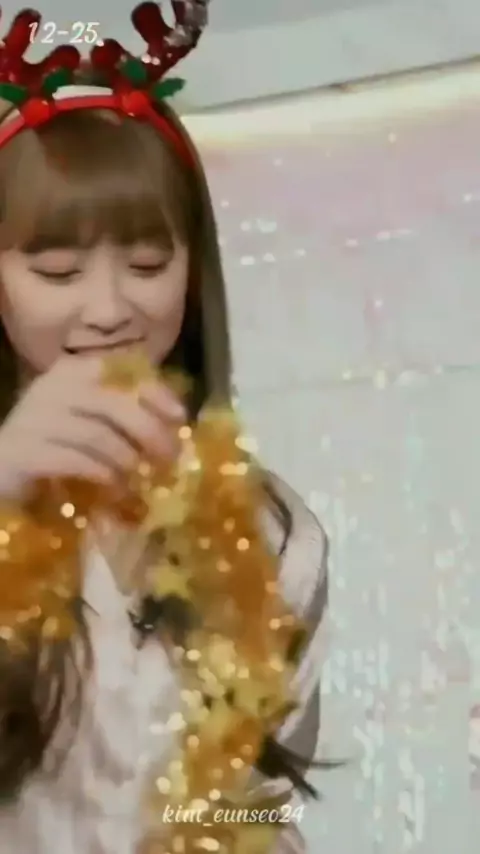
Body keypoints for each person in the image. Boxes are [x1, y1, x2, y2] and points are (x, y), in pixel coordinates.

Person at [0, 4, 328, 852]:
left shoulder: (274, 536)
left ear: (193, 270)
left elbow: (257, 805)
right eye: (57, 270)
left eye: (148, 264)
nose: (109, 308)